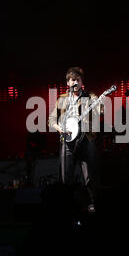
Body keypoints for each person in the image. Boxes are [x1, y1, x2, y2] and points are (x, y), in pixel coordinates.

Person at [48, 67, 100, 214]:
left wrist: (98, 108)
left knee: (88, 176)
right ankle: (67, 205)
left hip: (85, 140)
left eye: (78, 79)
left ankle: (92, 204)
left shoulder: (90, 96)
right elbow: (51, 120)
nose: (75, 82)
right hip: (67, 141)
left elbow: (100, 108)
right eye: (72, 80)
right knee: (65, 176)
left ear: (82, 82)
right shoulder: (62, 99)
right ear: (68, 83)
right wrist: (60, 128)